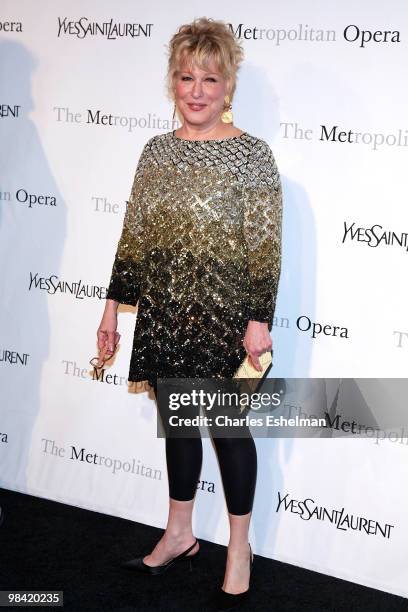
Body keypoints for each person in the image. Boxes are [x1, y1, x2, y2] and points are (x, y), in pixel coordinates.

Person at [96, 17, 282, 611]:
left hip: (228, 322)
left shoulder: (254, 156)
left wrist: (257, 318)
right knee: (177, 426)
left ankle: (238, 548)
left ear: (228, 85)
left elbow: (265, 245)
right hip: (168, 314)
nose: (196, 90)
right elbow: (135, 236)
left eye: (209, 78)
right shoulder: (155, 152)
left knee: (229, 433)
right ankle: (179, 533)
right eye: (185, 77)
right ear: (172, 83)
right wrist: (110, 310)